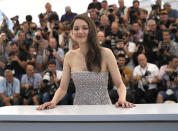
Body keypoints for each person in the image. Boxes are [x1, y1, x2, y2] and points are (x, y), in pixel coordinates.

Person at [37, 14, 135, 110]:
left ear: (91, 30)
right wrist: (53, 101)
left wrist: (122, 99)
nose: (80, 31)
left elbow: (119, 84)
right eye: (76, 28)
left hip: (104, 111)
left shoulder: (106, 53)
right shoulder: (69, 56)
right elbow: (62, 88)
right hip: (79, 112)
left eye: (84, 28)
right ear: (72, 32)